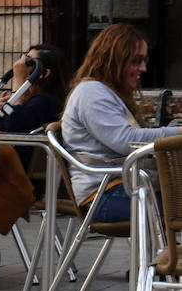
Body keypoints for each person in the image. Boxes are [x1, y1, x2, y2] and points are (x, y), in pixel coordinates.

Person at [61, 24, 177, 223]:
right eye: (136, 60)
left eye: (144, 59)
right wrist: (177, 133)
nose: (143, 68)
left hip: (120, 187)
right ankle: (169, 254)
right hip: (104, 195)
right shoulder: (91, 92)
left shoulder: (104, 91)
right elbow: (126, 141)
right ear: (114, 60)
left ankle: (168, 254)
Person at [0, 44, 69, 181]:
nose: (20, 67)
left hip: (21, 179)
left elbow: (15, 132)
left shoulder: (43, 102)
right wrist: (3, 116)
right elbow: (9, 127)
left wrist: (18, 85)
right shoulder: (38, 101)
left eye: (28, 63)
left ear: (44, 73)